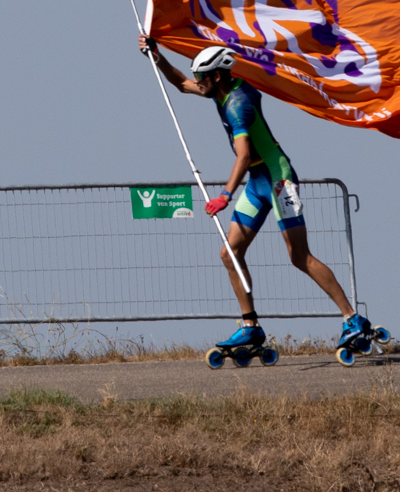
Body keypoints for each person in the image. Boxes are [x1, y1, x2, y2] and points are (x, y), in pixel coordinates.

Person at [142, 36, 371, 357]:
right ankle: (250, 327)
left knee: (299, 256)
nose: (196, 82)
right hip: (257, 181)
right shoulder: (218, 91)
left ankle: (352, 318)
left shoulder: (238, 105)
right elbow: (180, 84)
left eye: (201, 77)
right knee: (229, 253)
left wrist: (224, 195)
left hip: (279, 180)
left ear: (216, 76)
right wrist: (156, 55)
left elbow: (244, 155)